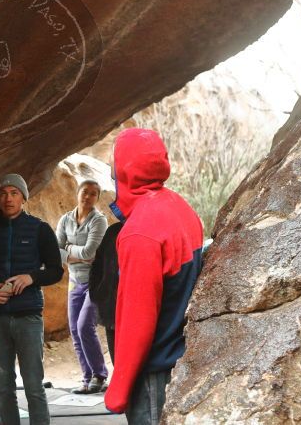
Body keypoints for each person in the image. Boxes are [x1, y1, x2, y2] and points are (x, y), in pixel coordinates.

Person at [103, 128, 203, 425]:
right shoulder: (179, 207)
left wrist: (119, 388)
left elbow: (138, 316)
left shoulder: (139, 232)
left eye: (114, 158)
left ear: (125, 168)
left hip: (154, 372)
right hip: (182, 360)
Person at [0, 174, 63, 425]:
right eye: (3, 193)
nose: (8, 198)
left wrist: (32, 277)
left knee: (33, 384)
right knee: (4, 386)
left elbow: (56, 270)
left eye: (14, 193)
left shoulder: (40, 229)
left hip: (28, 315)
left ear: (23, 197)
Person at [55, 180, 109, 394]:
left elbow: (90, 254)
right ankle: (87, 379)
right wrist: (74, 254)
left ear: (97, 198)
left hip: (95, 281)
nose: (88, 197)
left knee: (84, 325)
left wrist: (68, 250)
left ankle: (100, 375)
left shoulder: (99, 221)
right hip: (74, 281)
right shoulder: (65, 220)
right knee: (74, 330)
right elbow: (55, 251)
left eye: (93, 194)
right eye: (85, 192)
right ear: (78, 193)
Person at [88, 221, 124, 363]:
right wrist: (97, 294)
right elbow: (98, 264)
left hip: (135, 312)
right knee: (117, 362)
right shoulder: (113, 231)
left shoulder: (147, 229)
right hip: (111, 311)